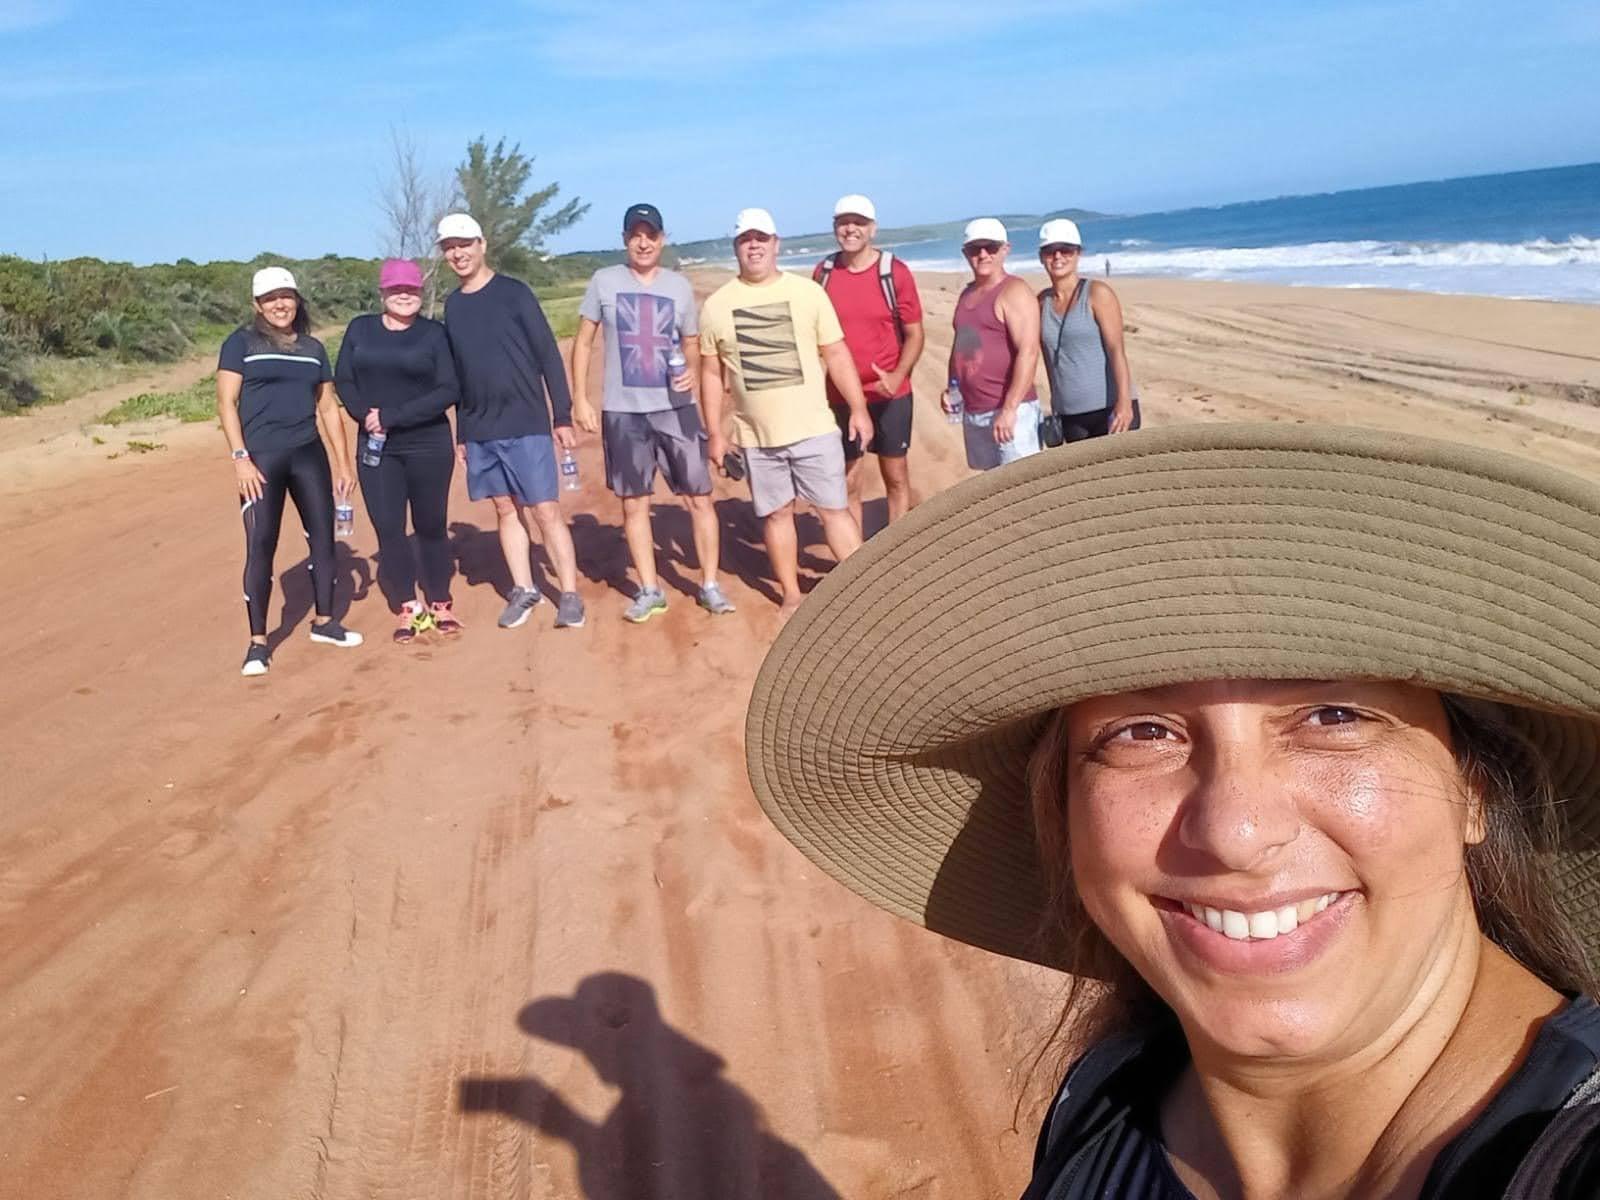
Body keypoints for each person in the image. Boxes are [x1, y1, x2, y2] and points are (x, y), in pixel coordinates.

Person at [747, 422, 1600, 1199]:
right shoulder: (1106, 1099)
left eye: (1333, 718)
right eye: (1142, 733)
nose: (1234, 829)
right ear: (1067, 810)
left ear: (1478, 789)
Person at [700, 207, 873, 618]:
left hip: (814, 428)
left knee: (834, 510)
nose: (754, 245)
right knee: (777, 515)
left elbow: (837, 352)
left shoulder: (808, 293)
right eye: (746, 239)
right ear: (736, 247)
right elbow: (710, 372)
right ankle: (793, 594)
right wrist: (715, 433)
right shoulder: (717, 305)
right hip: (758, 437)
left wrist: (859, 408)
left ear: (776, 244)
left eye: (762, 238)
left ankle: (866, 593)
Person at [571, 204, 735, 622]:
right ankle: (649, 589)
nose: (643, 243)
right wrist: (580, 399)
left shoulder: (679, 287)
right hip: (624, 412)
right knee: (633, 503)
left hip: (676, 410)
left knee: (699, 498)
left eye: (651, 235)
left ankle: (710, 585)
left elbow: (693, 342)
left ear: (662, 238)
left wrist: (692, 374)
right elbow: (585, 342)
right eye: (635, 235)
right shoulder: (604, 282)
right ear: (625, 239)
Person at [437, 212, 585, 630]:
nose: (458, 253)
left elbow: (548, 356)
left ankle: (570, 594)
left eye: (464, 244)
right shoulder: (453, 305)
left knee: (544, 510)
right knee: (504, 508)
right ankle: (524, 589)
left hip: (526, 421)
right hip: (481, 427)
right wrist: (462, 433)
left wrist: (562, 415)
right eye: (449, 247)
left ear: (481, 244)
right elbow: (460, 374)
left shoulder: (514, 293)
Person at [217, 266, 361, 677]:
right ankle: (258, 643)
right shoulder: (240, 344)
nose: (280, 304)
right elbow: (227, 403)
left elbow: (328, 407)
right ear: (256, 305)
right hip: (261, 460)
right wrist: (240, 458)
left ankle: (325, 621)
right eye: (270, 298)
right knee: (261, 544)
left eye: (287, 296)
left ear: (297, 300)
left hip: (307, 454)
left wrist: (342, 463)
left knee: (323, 537)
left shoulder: (313, 349)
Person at [336, 258, 462, 644]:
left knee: (430, 526)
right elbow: (344, 378)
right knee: (389, 527)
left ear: (421, 293)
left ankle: (440, 600)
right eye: (396, 289)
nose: (404, 295)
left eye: (411, 289)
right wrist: (366, 416)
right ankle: (408, 604)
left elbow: (448, 390)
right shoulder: (360, 329)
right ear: (382, 293)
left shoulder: (434, 334)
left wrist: (393, 415)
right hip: (378, 448)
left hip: (427, 442)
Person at [812, 194, 925, 531]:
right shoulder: (824, 273)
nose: (851, 229)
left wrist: (897, 375)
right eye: (844, 222)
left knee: (895, 478)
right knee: (848, 482)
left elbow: (915, 334)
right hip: (841, 395)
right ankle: (856, 562)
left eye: (859, 223)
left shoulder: (895, 272)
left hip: (890, 395)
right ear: (835, 228)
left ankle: (896, 552)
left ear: (872, 229)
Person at [944, 218, 1042, 470]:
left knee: (1022, 491)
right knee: (992, 492)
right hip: (975, 411)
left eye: (991, 247)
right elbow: (962, 347)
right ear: (966, 252)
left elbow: (1029, 353)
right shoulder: (966, 294)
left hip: (1011, 412)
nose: (983, 254)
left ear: (1005, 249)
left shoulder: (1015, 291)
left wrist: (1009, 410)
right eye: (975, 248)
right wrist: (951, 388)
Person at [1036, 218, 1138, 444]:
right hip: (1070, 414)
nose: (1058, 257)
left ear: (1078, 253)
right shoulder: (1041, 303)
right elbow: (1047, 357)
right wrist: (1055, 402)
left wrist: (1124, 403)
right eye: (1050, 251)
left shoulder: (1097, 294)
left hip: (1109, 409)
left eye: (1066, 250)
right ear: (1041, 256)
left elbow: (1116, 351)